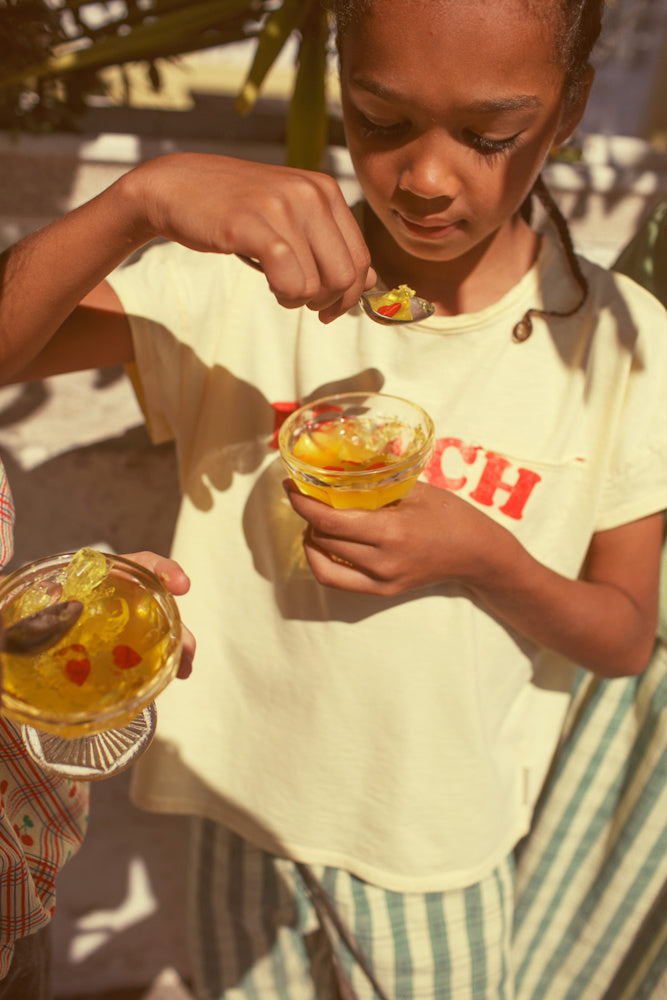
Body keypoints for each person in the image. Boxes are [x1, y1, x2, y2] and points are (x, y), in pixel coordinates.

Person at [2, 0, 667, 996]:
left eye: (488, 136)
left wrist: (482, 559)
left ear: (570, 106)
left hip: (431, 844)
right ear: (338, 75)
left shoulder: (624, 348)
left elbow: (621, 635)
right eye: (380, 119)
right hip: (236, 804)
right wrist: (140, 200)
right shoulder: (235, 287)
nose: (427, 179)